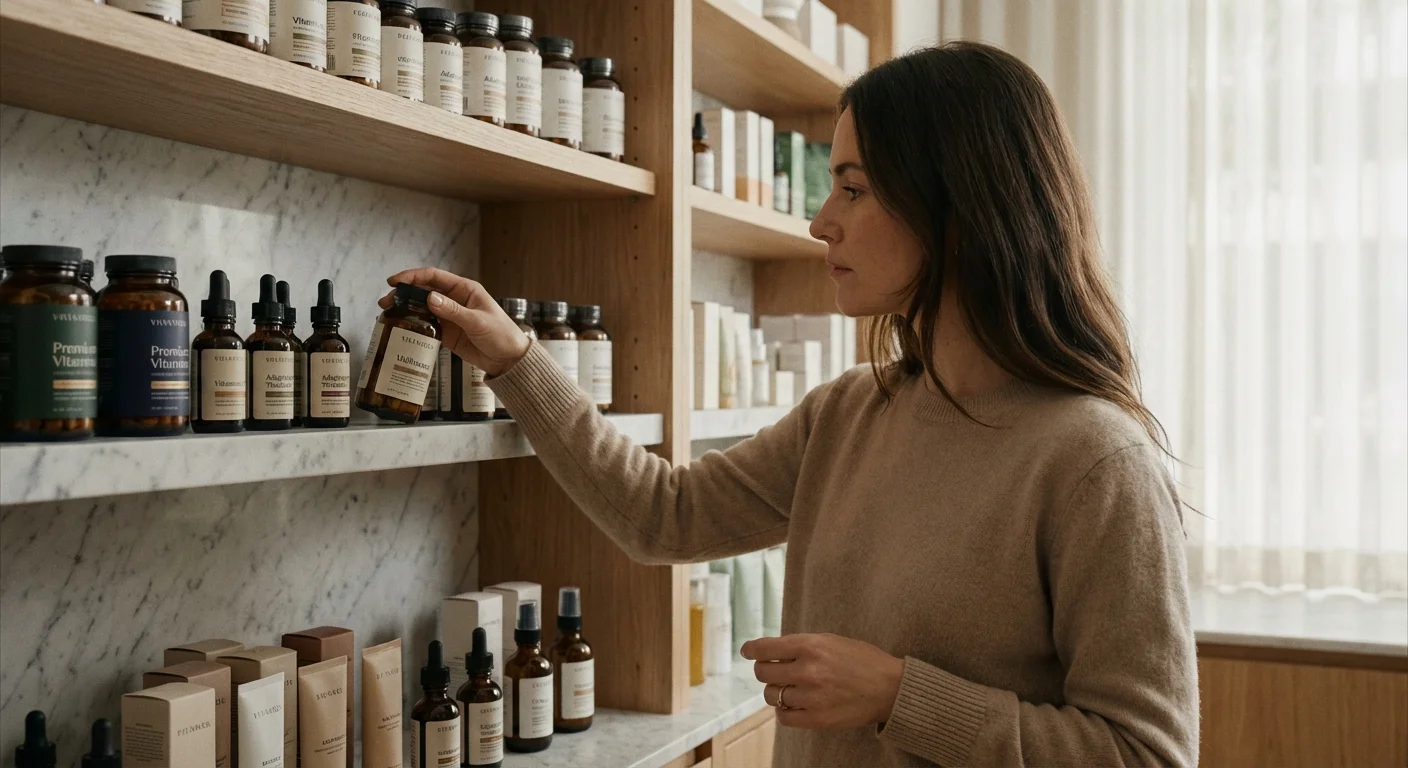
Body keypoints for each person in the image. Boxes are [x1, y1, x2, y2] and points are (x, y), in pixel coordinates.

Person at [383, 41, 1198, 768]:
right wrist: (516, 359)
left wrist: (897, 695)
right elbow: (663, 516)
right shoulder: (847, 414)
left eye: (853, 188)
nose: (820, 222)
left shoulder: (1095, 461)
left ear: (957, 205)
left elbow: (1146, 754)